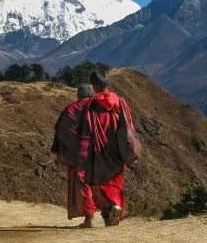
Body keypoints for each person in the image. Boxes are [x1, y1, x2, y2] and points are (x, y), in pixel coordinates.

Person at [78, 71, 141, 227]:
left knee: (98, 182)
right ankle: (112, 212)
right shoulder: (120, 101)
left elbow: (84, 128)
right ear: (107, 83)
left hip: (100, 149)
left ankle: (111, 207)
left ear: (94, 86)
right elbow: (129, 125)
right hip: (117, 148)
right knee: (115, 180)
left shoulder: (91, 104)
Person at [51, 84, 96, 228]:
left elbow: (61, 130)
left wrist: (74, 147)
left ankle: (89, 219)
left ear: (78, 95)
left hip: (80, 155)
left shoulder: (71, 109)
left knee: (83, 184)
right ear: (91, 95)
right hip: (99, 153)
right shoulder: (98, 108)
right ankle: (109, 214)